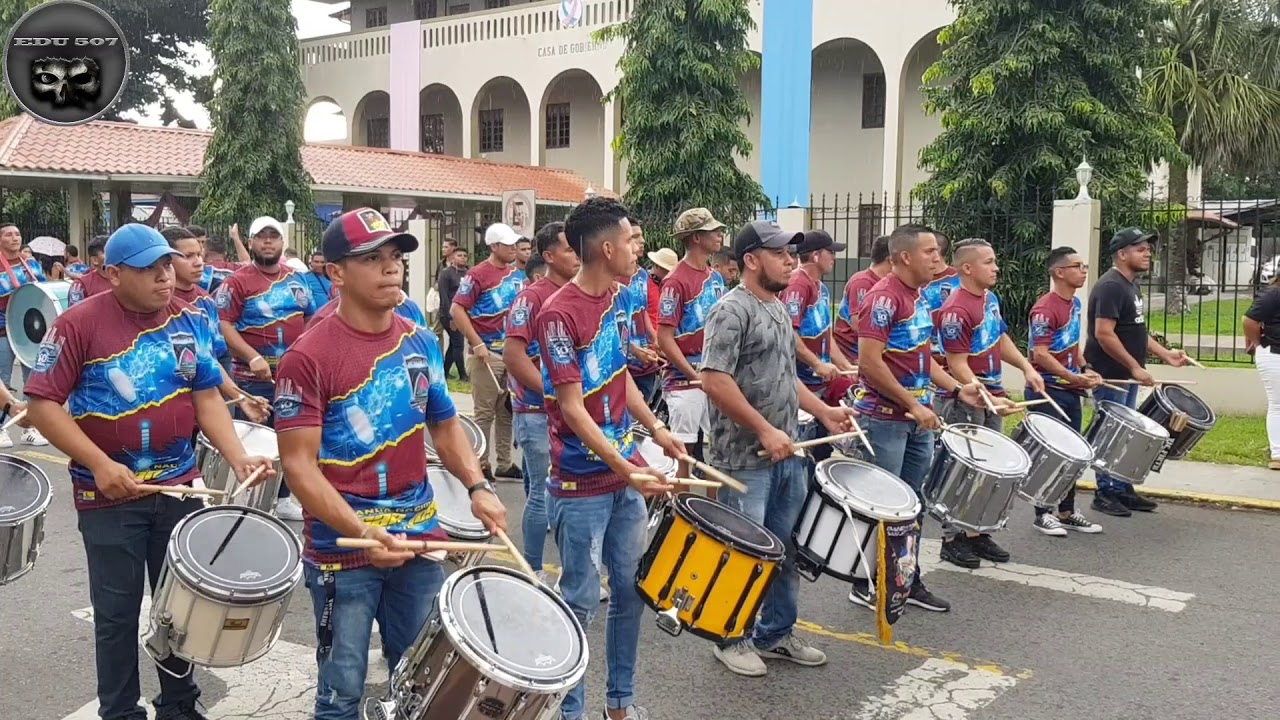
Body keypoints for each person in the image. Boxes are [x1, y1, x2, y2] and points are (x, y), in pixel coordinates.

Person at [25, 223, 276, 720]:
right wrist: (99, 464)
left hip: (179, 488)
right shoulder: (77, 324)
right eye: (150, 269)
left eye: (167, 265)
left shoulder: (186, 320)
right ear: (114, 274)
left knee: (180, 608)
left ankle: (180, 704)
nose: (166, 276)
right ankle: (119, 710)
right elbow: (41, 404)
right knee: (116, 614)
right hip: (109, 496)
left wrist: (236, 455)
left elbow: (205, 395)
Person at [274, 208, 507, 720]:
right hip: (346, 549)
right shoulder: (307, 356)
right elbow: (299, 467)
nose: (390, 268)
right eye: (371, 258)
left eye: (395, 257)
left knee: (422, 683)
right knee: (341, 689)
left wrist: (477, 486)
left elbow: (444, 424)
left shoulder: (418, 340)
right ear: (335, 272)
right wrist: (360, 529)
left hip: (419, 534)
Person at [537, 196, 681, 720]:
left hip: (625, 476)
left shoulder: (620, 299)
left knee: (629, 591)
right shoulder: (557, 314)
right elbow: (573, 409)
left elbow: (617, 376)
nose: (638, 248)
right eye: (633, 240)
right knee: (578, 602)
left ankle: (619, 704)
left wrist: (657, 430)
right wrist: (629, 469)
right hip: (580, 484)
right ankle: (570, 711)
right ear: (605, 247)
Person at [703, 220, 857, 677]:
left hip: (786, 453)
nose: (793, 261)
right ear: (751, 260)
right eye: (781, 254)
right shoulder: (731, 310)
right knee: (745, 550)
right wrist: (765, 430)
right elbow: (714, 380)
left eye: (794, 254)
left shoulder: (776, 309)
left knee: (784, 548)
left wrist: (823, 414)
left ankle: (775, 633)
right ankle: (730, 637)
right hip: (744, 459)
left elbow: (785, 376)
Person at [850, 224, 985, 613]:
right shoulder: (882, 299)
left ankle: (904, 578)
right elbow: (868, 363)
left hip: (915, 419)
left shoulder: (919, 297)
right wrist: (913, 403)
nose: (939, 259)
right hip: (885, 419)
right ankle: (866, 581)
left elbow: (923, 359)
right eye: (930, 252)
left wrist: (958, 388)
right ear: (905, 257)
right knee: (884, 506)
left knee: (913, 505)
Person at [933, 239, 1037, 567]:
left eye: (994, 261)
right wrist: (987, 397)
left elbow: (999, 336)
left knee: (989, 468)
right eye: (989, 262)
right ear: (967, 268)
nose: (996, 268)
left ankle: (976, 532)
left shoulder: (989, 299)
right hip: (967, 398)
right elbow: (957, 363)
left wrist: (1026, 366)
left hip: (992, 393)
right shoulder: (955, 309)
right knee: (963, 467)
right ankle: (952, 537)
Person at [214, 215, 318, 521]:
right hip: (250, 380)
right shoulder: (236, 282)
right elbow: (224, 324)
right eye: (262, 237)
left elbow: (311, 318)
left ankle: (284, 496)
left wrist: (306, 352)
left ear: (282, 242)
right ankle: (248, 498)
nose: (268, 241)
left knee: (291, 437)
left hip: (292, 377)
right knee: (256, 438)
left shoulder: (297, 279)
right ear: (250, 242)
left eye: (273, 236)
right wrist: (251, 357)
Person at [1085, 227, 1189, 516]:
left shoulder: (1130, 285)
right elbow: (1104, 334)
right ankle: (1104, 491)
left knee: (1126, 434)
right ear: (1122, 254)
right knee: (1111, 432)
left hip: (1127, 374)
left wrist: (1165, 354)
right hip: (1110, 375)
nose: (1148, 253)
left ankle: (1121, 487)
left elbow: (1136, 330)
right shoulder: (1111, 286)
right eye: (1140, 249)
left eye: (1148, 248)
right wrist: (1134, 366)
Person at [503, 221, 580, 581]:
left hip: (571, 412)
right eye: (568, 249)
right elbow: (514, 356)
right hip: (536, 413)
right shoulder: (531, 297)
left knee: (561, 493)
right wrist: (552, 394)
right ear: (548, 256)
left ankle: (574, 569)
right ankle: (532, 571)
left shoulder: (581, 293)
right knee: (541, 494)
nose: (577, 255)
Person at [1027, 247, 1105, 533]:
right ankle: (1042, 512)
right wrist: (1071, 376)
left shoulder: (1074, 304)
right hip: (1047, 390)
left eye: (1083, 266)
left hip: (1070, 390)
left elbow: (1072, 343)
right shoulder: (1045, 309)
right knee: (1051, 453)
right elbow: (1041, 355)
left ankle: (1067, 511)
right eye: (1077, 266)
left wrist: (1084, 369)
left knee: (1073, 452)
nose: (1083, 271)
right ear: (1059, 272)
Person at [450, 222, 525, 481]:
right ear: (494, 246)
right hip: (487, 352)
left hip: (512, 352)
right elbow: (457, 309)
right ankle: (480, 462)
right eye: (509, 244)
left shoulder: (517, 275)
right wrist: (477, 342)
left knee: (507, 410)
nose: (514, 248)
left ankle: (504, 461)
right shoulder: (477, 275)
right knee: (484, 411)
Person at [656, 208, 728, 476]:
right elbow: (665, 337)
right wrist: (692, 372)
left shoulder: (716, 277)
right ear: (696, 238)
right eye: (713, 231)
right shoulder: (675, 281)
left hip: (714, 375)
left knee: (721, 449)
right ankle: (680, 513)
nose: (720, 235)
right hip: (684, 382)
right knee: (683, 457)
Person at [782, 230, 857, 461]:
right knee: (801, 454)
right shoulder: (797, 285)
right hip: (802, 383)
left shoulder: (822, 289)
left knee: (822, 450)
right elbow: (788, 334)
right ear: (815, 255)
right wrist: (816, 363)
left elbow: (826, 335)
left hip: (820, 382)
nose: (834, 257)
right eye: (831, 252)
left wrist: (846, 366)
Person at [0, 222, 49, 447]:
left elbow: (42, 294)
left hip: (30, 332)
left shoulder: (30, 265)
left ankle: (29, 428)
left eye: (17, 234)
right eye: (8, 235)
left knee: (34, 384)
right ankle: (2, 428)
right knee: (4, 381)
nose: (14, 238)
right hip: (2, 330)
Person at [622, 216, 662, 406]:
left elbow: (642, 308)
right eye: (635, 236)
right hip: (622, 364)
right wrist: (633, 350)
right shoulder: (612, 276)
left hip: (645, 362)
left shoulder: (641, 274)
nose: (642, 241)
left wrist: (654, 337)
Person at [833, 235, 891, 362]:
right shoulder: (862, 282)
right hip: (851, 353)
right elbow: (858, 323)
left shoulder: (887, 283)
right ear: (890, 259)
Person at [1246, 274, 1280, 469]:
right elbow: (1249, 320)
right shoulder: (1273, 293)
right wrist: (1256, 341)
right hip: (1274, 353)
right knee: (1278, 404)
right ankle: (1277, 454)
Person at [437, 246, 469, 381]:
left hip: (463, 313)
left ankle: (444, 372)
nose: (462, 258)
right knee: (458, 344)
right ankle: (463, 375)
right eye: (459, 255)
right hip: (449, 314)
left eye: (464, 256)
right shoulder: (446, 273)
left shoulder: (468, 273)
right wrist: (451, 317)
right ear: (453, 258)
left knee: (454, 345)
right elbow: (444, 297)